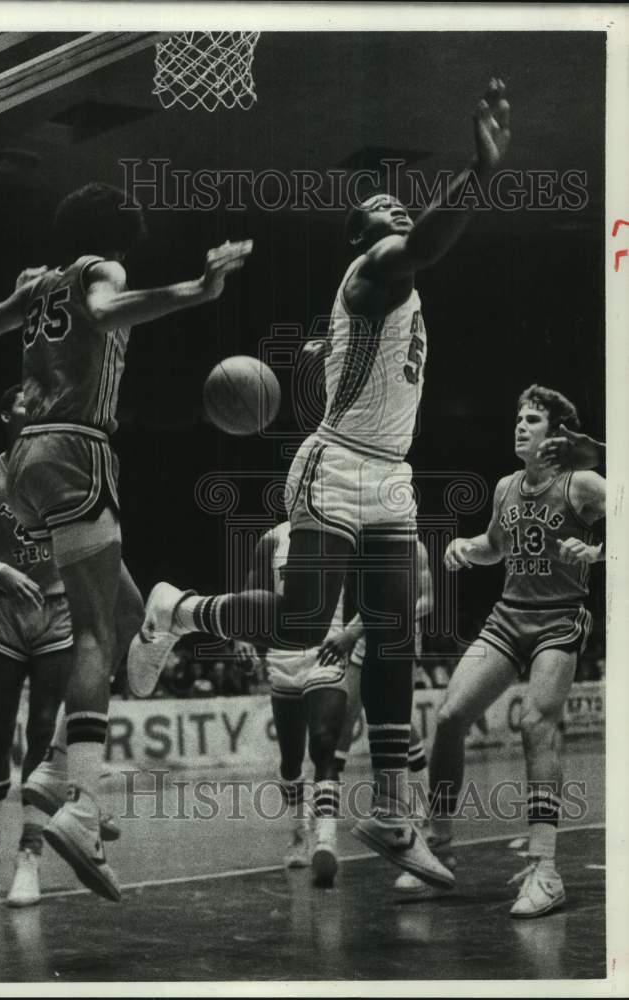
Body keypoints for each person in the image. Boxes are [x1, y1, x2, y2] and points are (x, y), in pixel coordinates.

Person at [129, 80, 511, 889]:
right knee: (303, 623)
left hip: (390, 474)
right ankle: (176, 607)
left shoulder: (394, 293)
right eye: (381, 205)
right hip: (336, 462)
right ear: (358, 235)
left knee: (393, 637)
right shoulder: (374, 269)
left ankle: (392, 813)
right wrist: (476, 176)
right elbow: (425, 245)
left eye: (400, 206)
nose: (395, 210)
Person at [0, 183, 252, 901]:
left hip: (24, 464)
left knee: (127, 617)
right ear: (121, 237)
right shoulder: (99, 270)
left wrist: (9, 305)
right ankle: (82, 804)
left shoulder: (40, 286)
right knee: (92, 634)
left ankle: (58, 763)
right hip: (78, 449)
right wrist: (199, 288)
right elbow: (109, 309)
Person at [424, 385, 605, 917]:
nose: (520, 426)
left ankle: (546, 869)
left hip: (559, 619)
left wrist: (596, 551)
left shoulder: (583, 484)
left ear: (556, 435)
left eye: (531, 420)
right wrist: (465, 549)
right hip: (508, 618)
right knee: (451, 714)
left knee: (535, 722)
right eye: (518, 418)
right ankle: (436, 847)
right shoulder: (505, 486)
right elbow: (494, 547)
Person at [0, 385, 75, 907]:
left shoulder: (64, 474)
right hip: (5, 614)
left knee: (44, 730)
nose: (37, 408)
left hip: (57, 609)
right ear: (6, 413)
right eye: (27, 401)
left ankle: (29, 856)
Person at [320, 538, 436, 893]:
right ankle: (324, 837)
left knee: (397, 734)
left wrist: (358, 627)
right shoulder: (362, 544)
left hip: (396, 642)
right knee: (341, 727)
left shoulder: (415, 548)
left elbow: (427, 602)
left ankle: (425, 818)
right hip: (365, 639)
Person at [246, 520, 350, 888]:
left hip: (328, 650)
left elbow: (369, 595)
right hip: (283, 655)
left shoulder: (346, 533)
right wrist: (247, 640)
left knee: (324, 743)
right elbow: (254, 596)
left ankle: (327, 840)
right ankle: (298, 832)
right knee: (291, 758)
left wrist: (354, 637)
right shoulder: (271, 538)